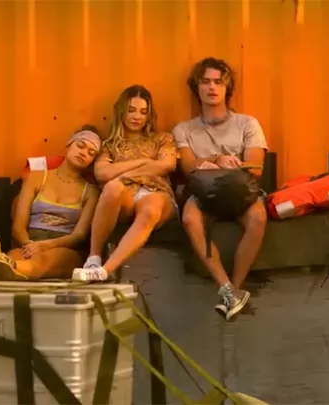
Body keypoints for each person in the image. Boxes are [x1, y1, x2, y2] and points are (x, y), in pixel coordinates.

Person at [174, 57, 268, 320]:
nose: (212, 87)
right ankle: (226, 288)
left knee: (258, 218)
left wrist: (228, 166)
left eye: (218, 82)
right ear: (197, 88)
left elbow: (256, 168)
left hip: (240, 191)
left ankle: (235, 289)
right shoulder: (183, 129)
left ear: (228, 88)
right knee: (190, 218)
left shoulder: (247, 123)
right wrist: (217, 159)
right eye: (205, 81)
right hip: (203, 193)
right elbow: (188, 168)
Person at [73, 85, 178, 281]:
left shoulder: (162, 139)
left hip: (157, 193)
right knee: (112, 187)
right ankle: (93, 258)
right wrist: (144, 162)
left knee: (150, 209)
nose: (137, 116)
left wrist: (123, 174)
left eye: (143, 112)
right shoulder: (109, 145)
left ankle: (105, 270)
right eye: (131, 110)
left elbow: (166, 165)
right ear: (122, 111)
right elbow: (102, 173)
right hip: (127, 198)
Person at [0, 127, 101, 280]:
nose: (84, 153)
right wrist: (28, 244)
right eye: (80, 145)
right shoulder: (37, 177)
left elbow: (79, 235)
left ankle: (10, 267)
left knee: (50, 259)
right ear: (68, 146)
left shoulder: (91, 191)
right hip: (30, 242)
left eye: (91, 153)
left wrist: (44, 246)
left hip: (63, 247)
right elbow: (19, 225)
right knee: (16, 254)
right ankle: (5, 264)